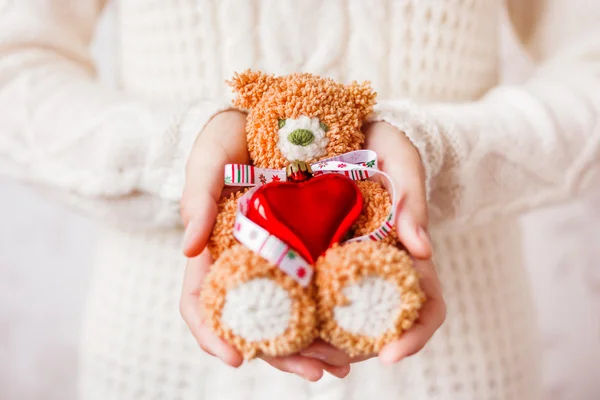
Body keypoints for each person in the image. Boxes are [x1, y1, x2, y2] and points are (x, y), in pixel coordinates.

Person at [1, 0, 598, 399]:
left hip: (458, 372)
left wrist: (436, 154)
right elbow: (15, 68)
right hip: (159, 368)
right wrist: (183, 157)